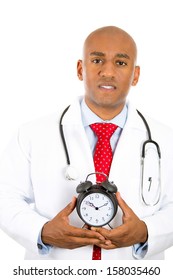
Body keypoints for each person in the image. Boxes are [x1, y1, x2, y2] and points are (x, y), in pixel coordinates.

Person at [0, 26, 173, 260]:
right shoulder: (31, 134)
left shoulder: (165, 139)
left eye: (121, 63)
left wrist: (146, 231)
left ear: (136, 75)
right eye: (97, 60)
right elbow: (5, 197)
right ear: (81, 69)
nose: (108, 72)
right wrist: (42, 232)